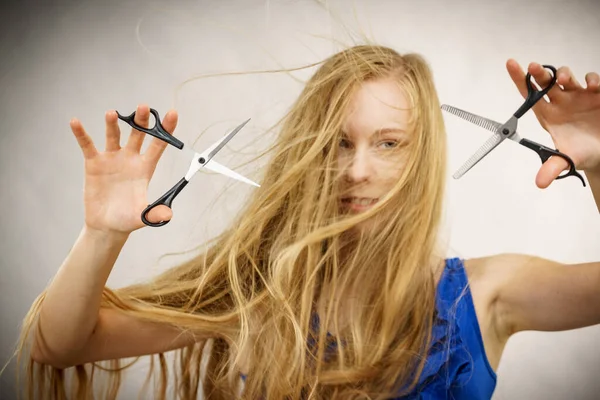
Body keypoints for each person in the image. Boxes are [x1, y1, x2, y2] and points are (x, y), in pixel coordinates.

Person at [15, 44, 600, 399]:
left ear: (421, 157)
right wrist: (103, 232)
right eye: (337, 144)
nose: (357, 170)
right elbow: (58, 345)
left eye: (389, 143)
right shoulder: (253, 295)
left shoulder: (489, 292)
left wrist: (597, 164)